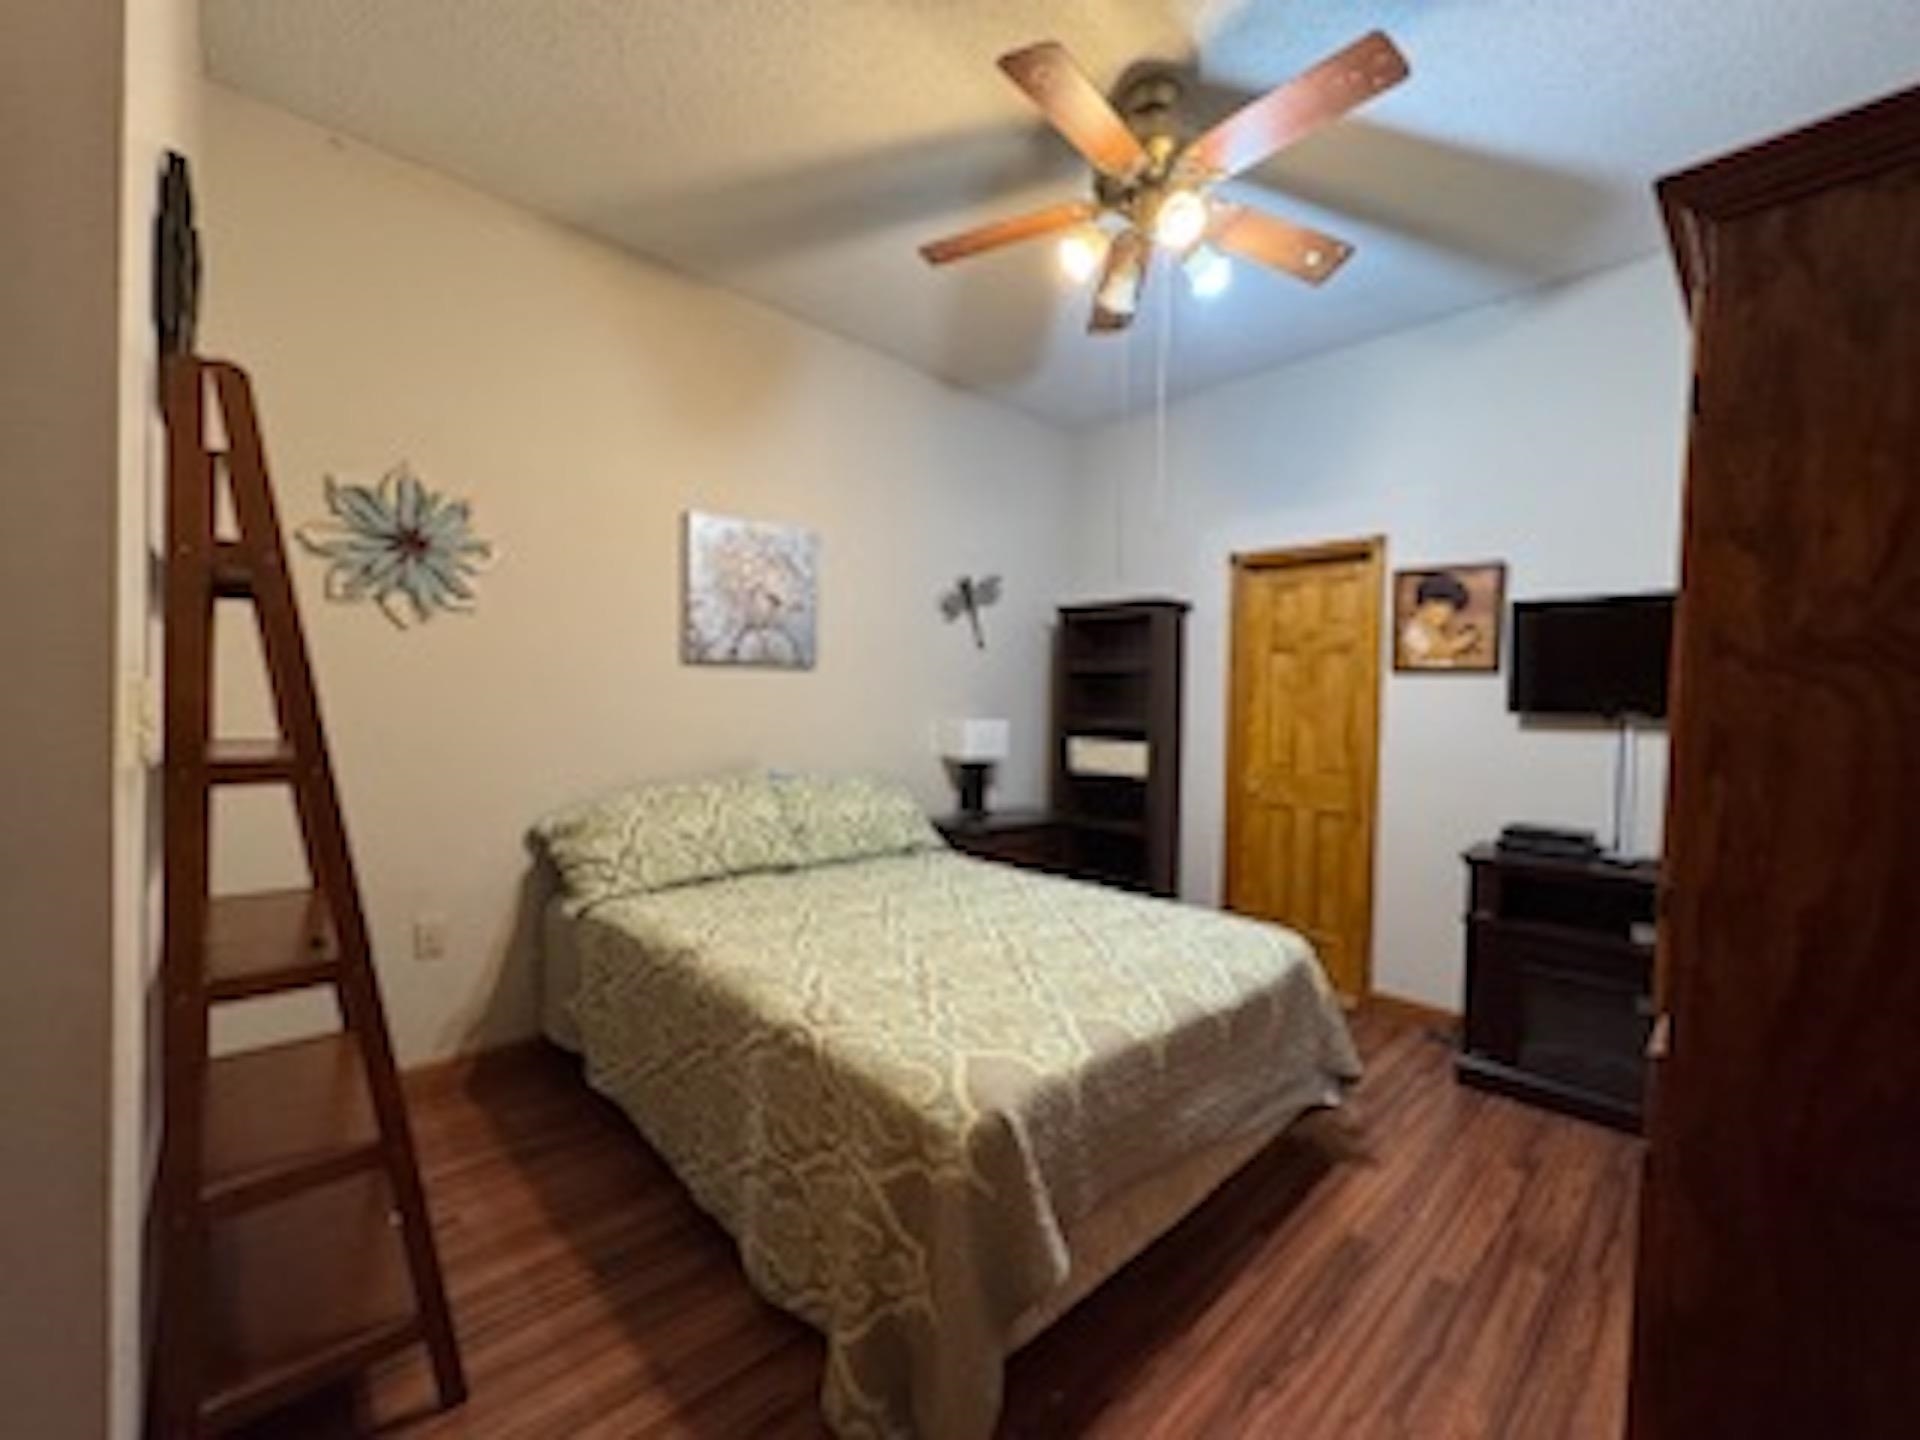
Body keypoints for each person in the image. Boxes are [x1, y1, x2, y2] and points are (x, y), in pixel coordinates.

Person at [1402, 571, 1483, 666]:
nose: (1447, 618)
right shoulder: (1415, 630)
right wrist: (1465, 640)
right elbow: (1442, 651)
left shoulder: (1432, 629)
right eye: (1441, 614)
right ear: (1428, 604)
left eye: (1450, 614)